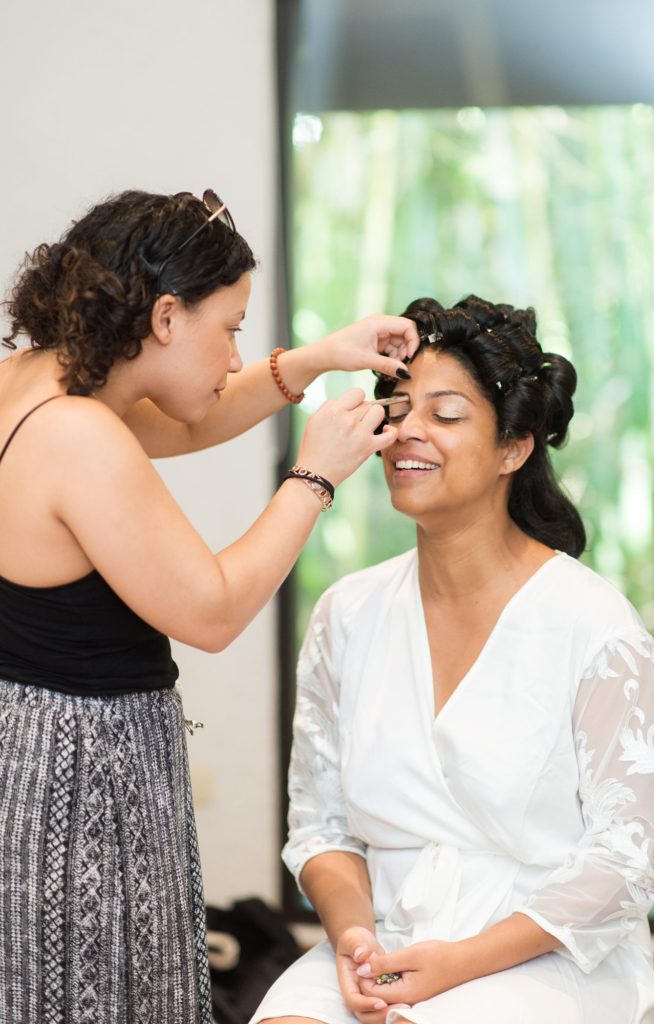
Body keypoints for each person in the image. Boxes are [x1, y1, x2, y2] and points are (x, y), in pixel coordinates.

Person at [0, 188, 420, 1024]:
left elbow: (191, 421)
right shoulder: (78, 434)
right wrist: (315, 477)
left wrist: (317, 358)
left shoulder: (35, 382)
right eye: (229, 329)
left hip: (29, 755)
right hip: (81, 791)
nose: (234, 357)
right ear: (165, 317)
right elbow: (214, 612)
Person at [251, 294, 654, 1024]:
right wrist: (356, 941)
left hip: (544, 952)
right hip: (384, 939)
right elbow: (321, 827)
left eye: (445, 414)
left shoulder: (595, 628)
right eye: (398, 409)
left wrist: (456, 963)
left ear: (514, 448)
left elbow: (627, 860)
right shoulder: (347, 614)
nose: (407, 431)